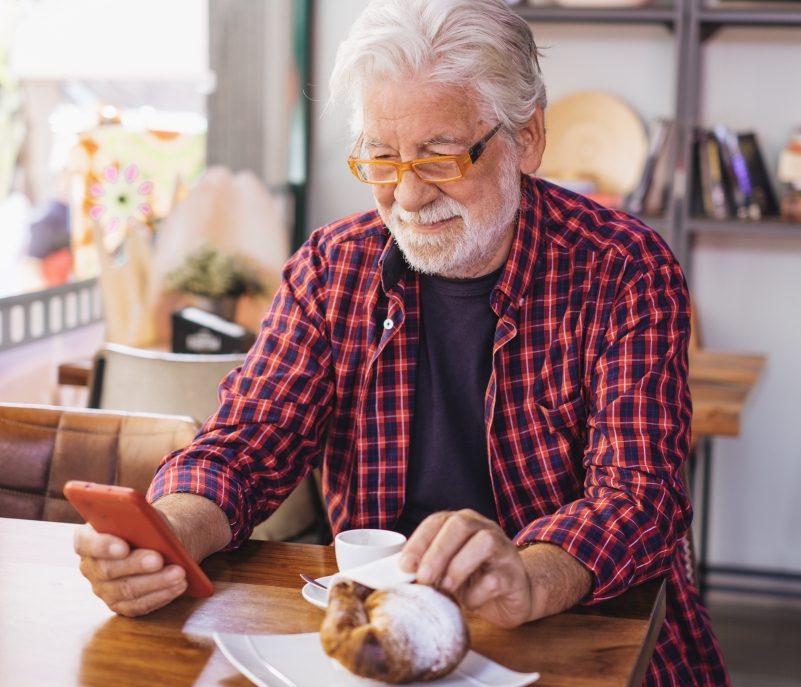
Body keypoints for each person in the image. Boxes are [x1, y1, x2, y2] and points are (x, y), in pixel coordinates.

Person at [74, 0, 729, 683]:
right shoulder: (333, 269)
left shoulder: (623, 267)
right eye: (381, 159)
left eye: (440, 158)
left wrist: (530, 575)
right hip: (382, 643)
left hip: (586, 636)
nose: (408, 196)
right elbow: (245, 446)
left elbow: (640, 496)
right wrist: (169, 534)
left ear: (528, 137)